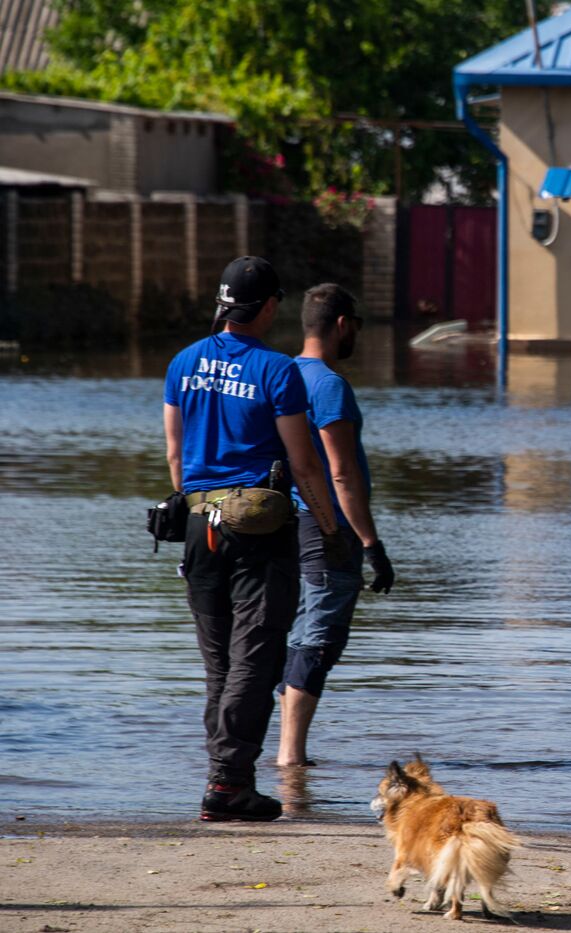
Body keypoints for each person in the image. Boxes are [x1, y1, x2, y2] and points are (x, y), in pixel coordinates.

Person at [164, 256, 350, 821]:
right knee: (255, 658)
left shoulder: (183, 361)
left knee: (220, 662)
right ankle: (228, 785)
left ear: (223, 305)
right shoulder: (277, 370)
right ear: (269, 307)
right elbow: (304, 464)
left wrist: (200, 503)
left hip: (199, 526)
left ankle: (225, 779)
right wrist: (330, 527)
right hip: (259, 533)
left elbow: (175, 455)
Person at [276, 283, 394, 768]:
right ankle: (291, 756)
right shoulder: (328, 384)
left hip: (289, 524)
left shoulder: (279, 373)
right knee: (320, 637)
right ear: (343, 324)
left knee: (301, 631)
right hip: (326, 528)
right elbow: (341, 473)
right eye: (357, 328)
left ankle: (288, 755)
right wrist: (371, 544)